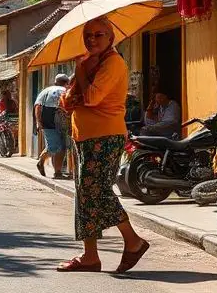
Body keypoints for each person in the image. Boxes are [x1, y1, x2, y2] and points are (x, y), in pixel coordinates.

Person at [57, 16, 149, 273]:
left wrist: (80, 72)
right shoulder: (90, 64)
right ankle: (90, 256)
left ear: (110, 38)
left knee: (97, 191)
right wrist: (81, 73)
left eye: (98, 35)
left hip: (104, 137)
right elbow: (67, 100)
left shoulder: (113, 63)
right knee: (85, 195)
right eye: (88, 35)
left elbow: (93, 98)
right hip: (84, 137)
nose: (92, 39)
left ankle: (133, 241)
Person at [34, 74, 70, 179]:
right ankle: (42, 162)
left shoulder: (45, 91)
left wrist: (38, 121)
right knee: (59, 146)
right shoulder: (66, 90)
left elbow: (38, 106)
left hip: (48, 117)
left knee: (58, 146)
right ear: (66, 83)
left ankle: (57, 172)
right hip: (61, 117)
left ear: (55, 81)